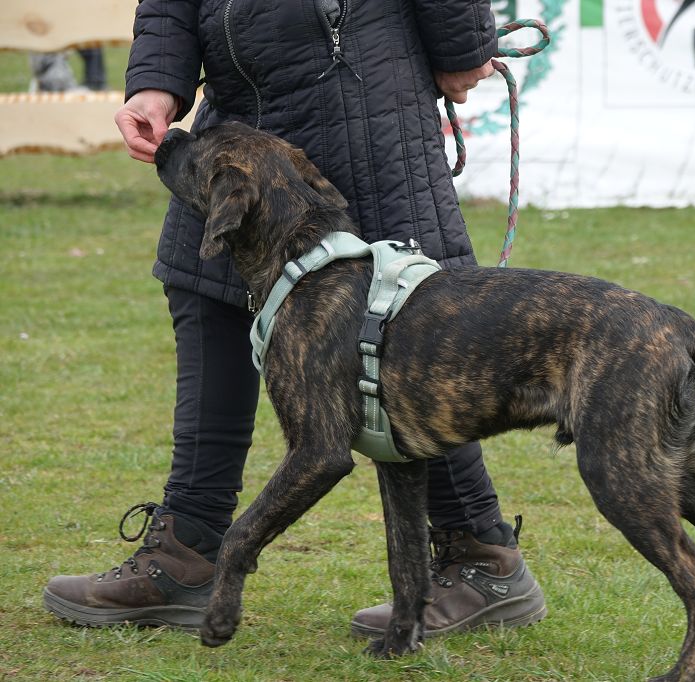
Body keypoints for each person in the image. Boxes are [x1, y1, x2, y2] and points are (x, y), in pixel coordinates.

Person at [42, 0, 546, 638]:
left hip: (366, 106)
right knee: (208, 298)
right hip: (240, 116)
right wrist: (156, 81)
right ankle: (185, 552)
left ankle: (480, 555)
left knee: (412, 346)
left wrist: (462, 44)